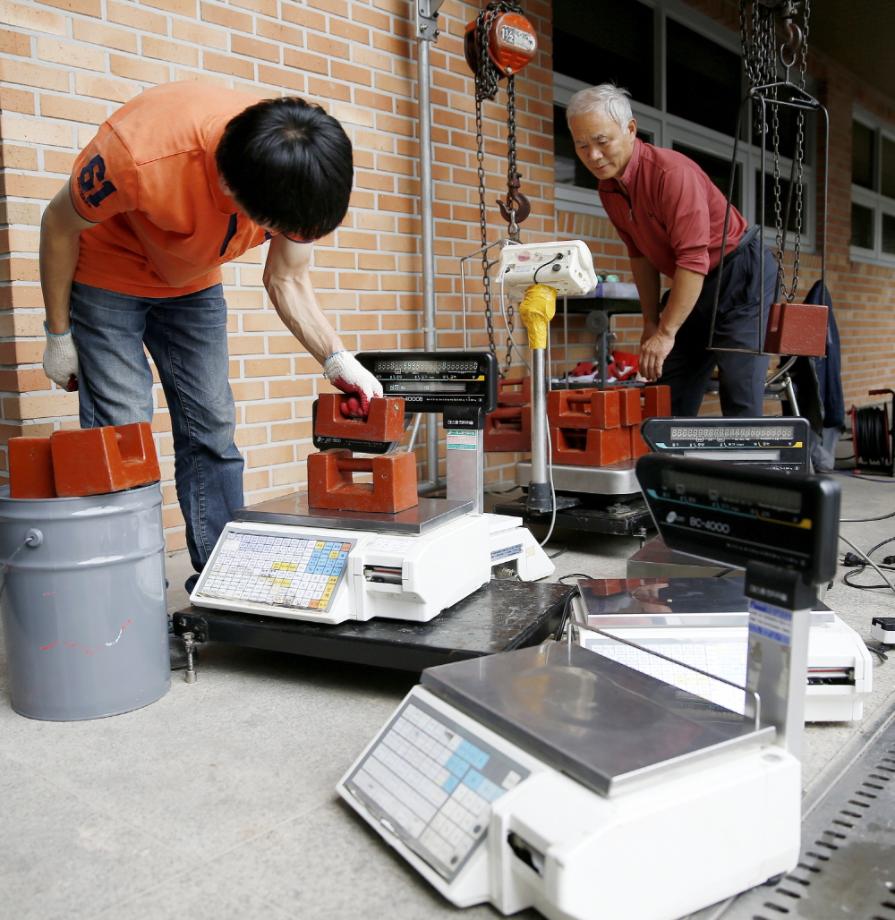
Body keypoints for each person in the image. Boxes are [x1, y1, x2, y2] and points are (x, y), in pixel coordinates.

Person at [38, 81, 382, 581]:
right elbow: (57, 223)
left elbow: (286, 276)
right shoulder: (137, 156)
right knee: (123, 434)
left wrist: (336, 358)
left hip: (191, 285)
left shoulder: (294, 177)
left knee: (212, 425)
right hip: (108, 274)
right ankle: (130, 593)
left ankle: (225, 576)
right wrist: (58, 332)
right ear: (228, 189)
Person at [566, 83, 778, 417]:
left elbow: (693, 259)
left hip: (739, 274)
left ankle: (748, 467)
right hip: (694, 280)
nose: (593, 155)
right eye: (581, 145)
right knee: (664, 389)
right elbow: (639, 256)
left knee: (739, 392)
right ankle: (666, 469)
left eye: (601, 141)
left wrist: (666, 332)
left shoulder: (671, 174)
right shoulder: (609, 189)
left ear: (631, 129)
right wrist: (651, 322)